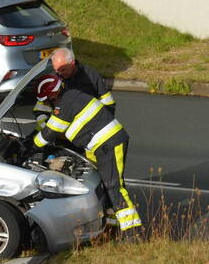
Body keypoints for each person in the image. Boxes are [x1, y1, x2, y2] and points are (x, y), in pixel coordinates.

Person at [33, 74, 142, 236]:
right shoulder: (72, 95)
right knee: (103, 183)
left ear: (53, 95)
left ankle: (132, 233)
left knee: (113, 186)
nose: (47, 103)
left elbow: (49, 133)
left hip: (107, 144)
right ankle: (112, 224)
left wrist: (32, 145)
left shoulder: (64, 105)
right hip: (104, 143)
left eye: (47, 100)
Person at [34, 47, 114, 131]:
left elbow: (108, 103)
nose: (59, 73)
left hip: (88, 130)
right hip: (60, 130)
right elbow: (40, 109)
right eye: (56, 70)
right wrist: (49, 129)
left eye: (63, 69)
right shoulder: (53, 80)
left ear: (72, 63)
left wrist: (102, 126)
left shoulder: (91, 76)